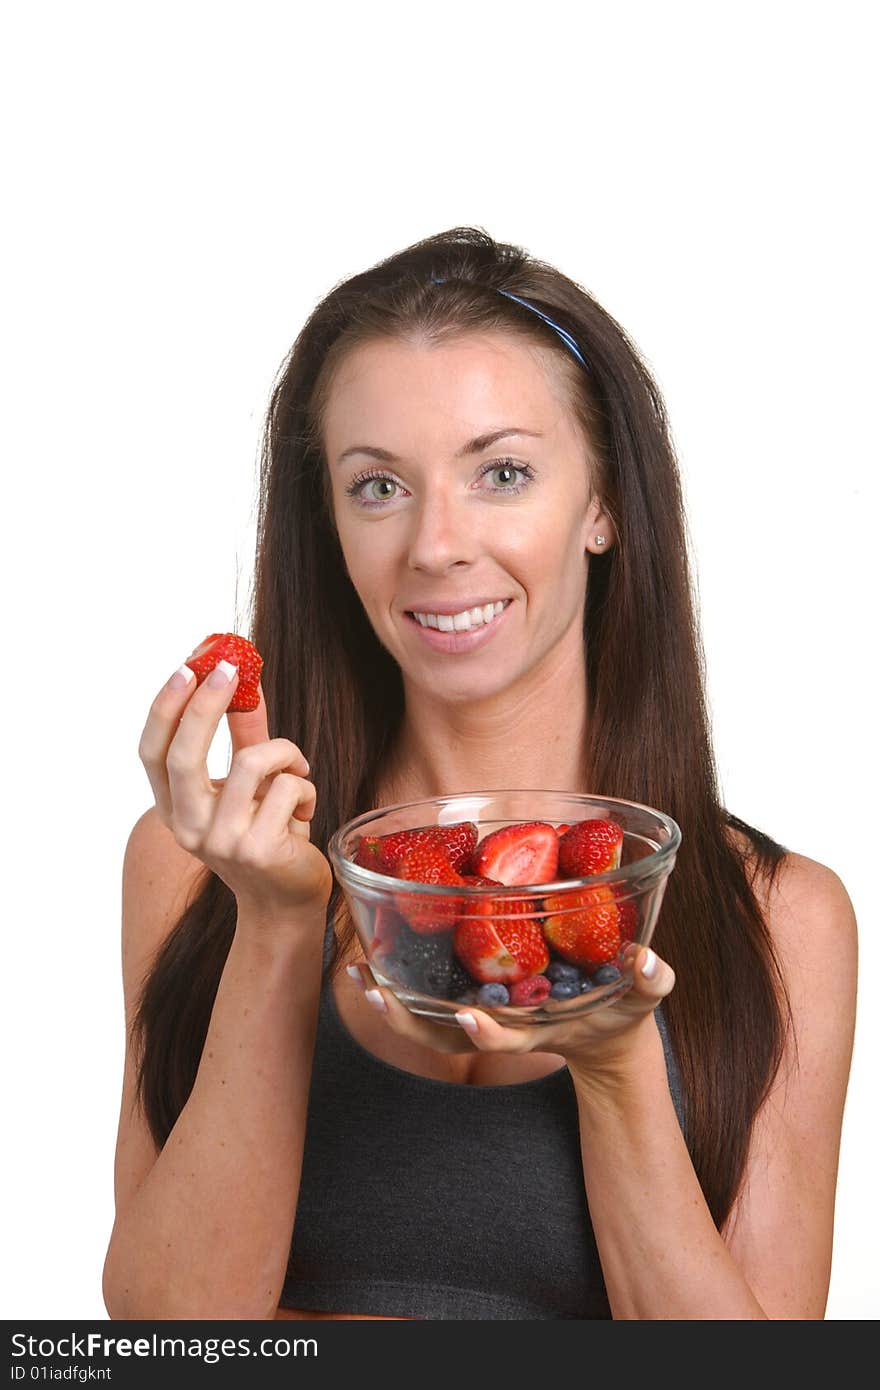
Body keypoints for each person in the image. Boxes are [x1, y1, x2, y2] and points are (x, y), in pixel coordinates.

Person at [102, 226, 858, 1321]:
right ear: (329, 527)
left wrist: (616, 1072)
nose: (436, 545)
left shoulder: (781, 918)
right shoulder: (191, 864)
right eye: (377, 488)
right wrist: (274, 926)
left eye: (501, 472)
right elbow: (168, 1340)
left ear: (602, 505)